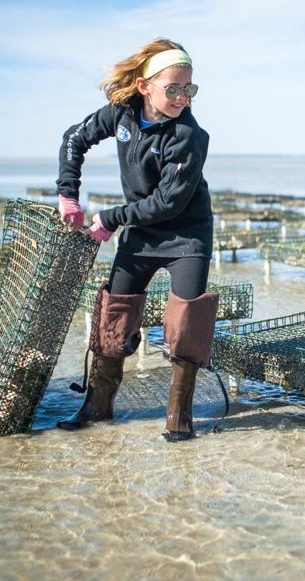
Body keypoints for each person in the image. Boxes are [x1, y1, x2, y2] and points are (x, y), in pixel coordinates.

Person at [54, 38, 218, 442]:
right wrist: (68, 193)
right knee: (114, 314)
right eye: (173, 88)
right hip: (141, 234)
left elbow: (167, 203)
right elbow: (75, 138)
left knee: (186, 324)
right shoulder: (122, 114)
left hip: (186, 234)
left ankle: (179, 417)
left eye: (189, 89)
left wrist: (109, 219)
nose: (182, 97)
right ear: (145, 86)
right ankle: (97, 407)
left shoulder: (189, 135)